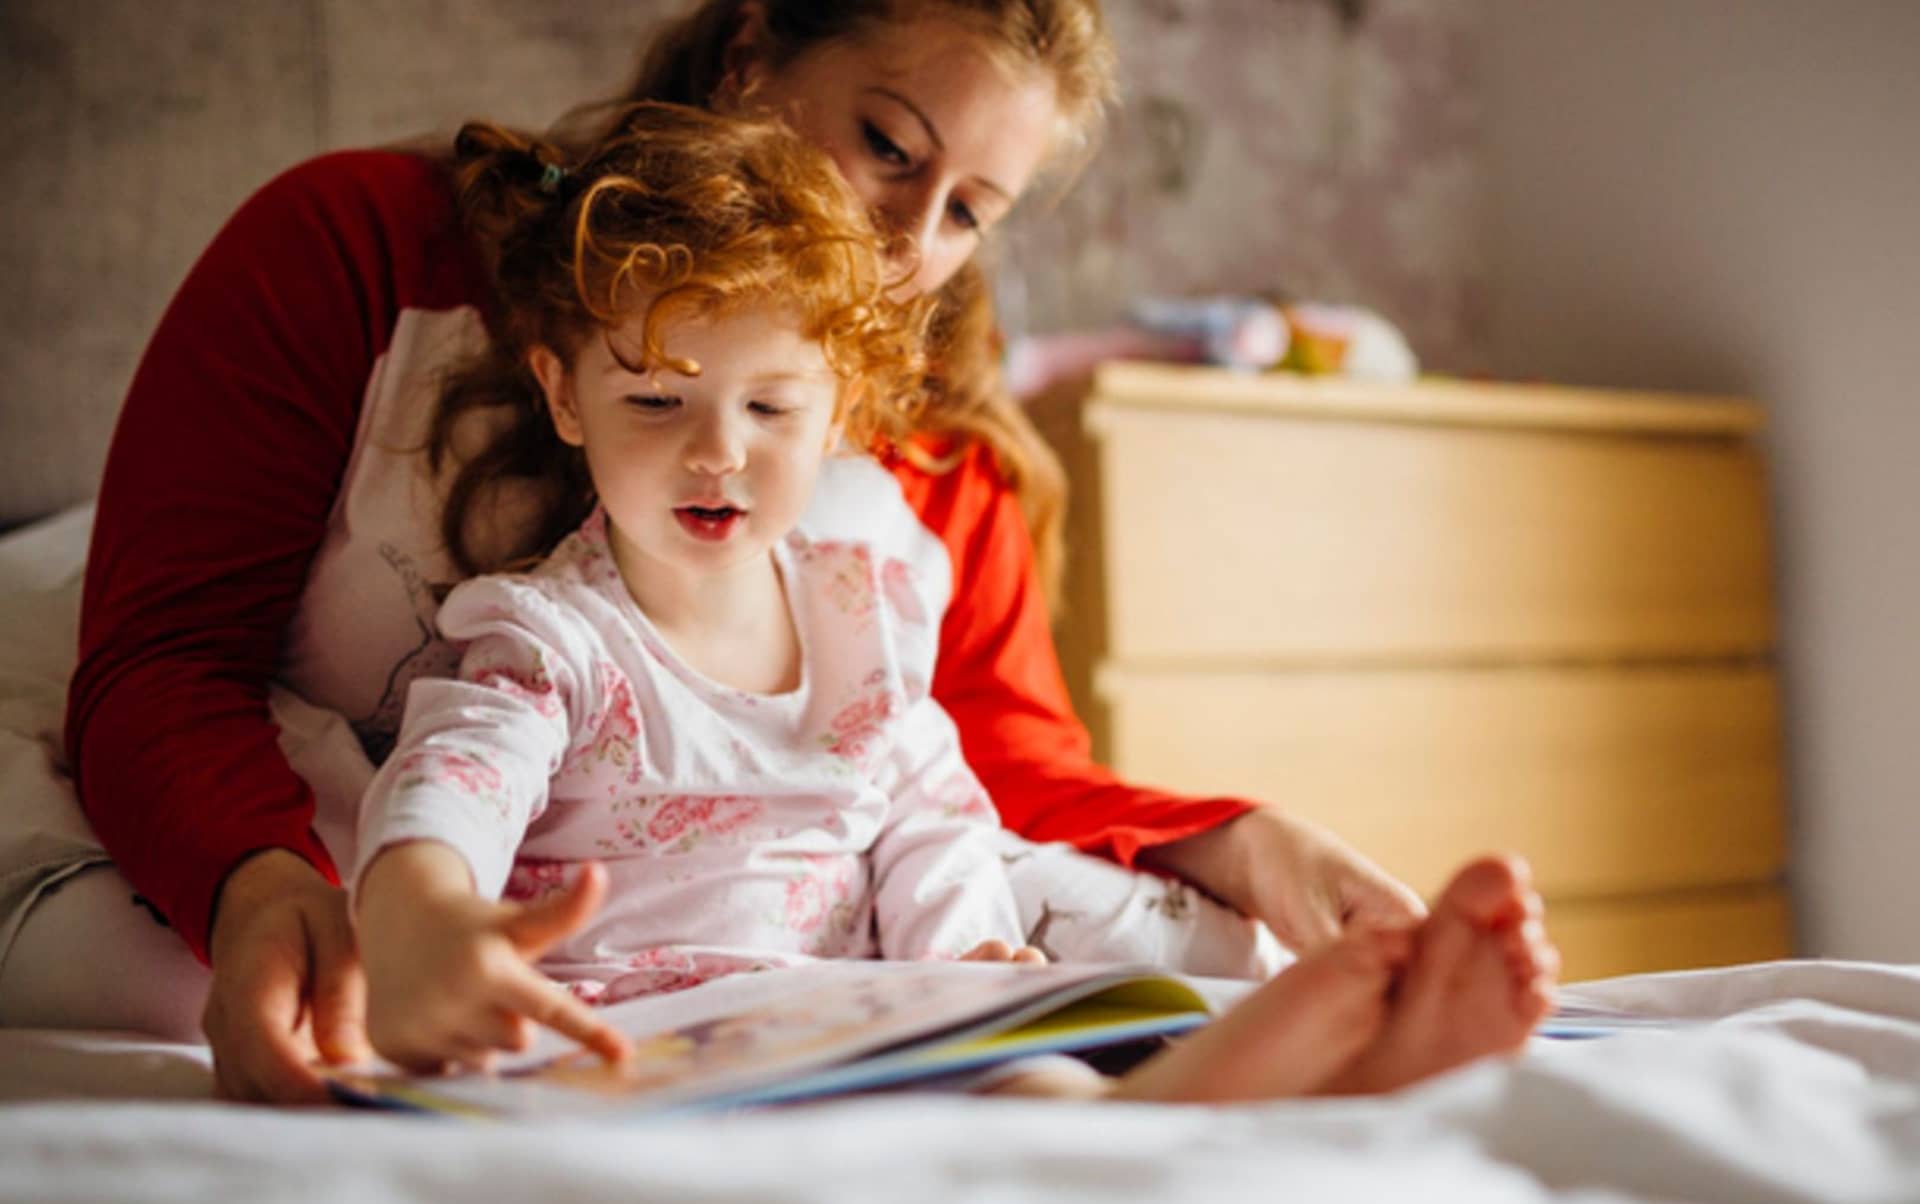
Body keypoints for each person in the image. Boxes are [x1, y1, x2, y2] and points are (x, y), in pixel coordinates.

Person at [7, 0, 1425, 1104]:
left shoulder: (915, 464)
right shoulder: (358, 251)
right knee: (182, 973)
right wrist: (261, 889)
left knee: (1118, 923)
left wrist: (1241, 844)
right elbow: (164, 655)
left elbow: (969, 759)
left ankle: (1257, 1056)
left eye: (970, 211)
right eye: (889, 146)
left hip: (744, 882)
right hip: (318, 831)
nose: (908, 246)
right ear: (752, 55)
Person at [349, 103, 1559, 1096]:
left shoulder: (856, 607)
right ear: (565, 398)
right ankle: (1239, 1097)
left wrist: (967, 960)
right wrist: (422, 922)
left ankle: (1309, 1082)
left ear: (837, 411)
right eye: (656, 403)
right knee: (1039, 1109)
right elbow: (452, 784)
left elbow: (928, 817)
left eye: (769, 409)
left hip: (865, 1015)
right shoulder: (549, 638)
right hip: (649, 1036)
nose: (715, 452)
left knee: (1025, 1073)